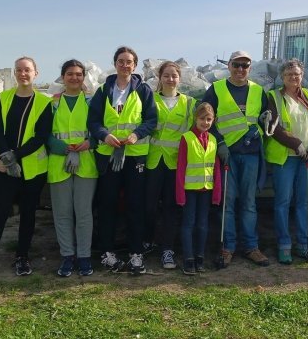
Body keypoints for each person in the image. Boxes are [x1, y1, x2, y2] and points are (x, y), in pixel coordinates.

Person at [0, 56, 53, 290]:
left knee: (28, 214)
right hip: (6, 169)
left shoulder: (44, 102)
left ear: (36, 73)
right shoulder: (2, 98)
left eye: (27, 70)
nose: (23, 74)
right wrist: (5, 155)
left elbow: (41, 137)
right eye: (19, 70)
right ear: (15, 74)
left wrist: (17, 155)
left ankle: (22, 257)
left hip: (32, 170)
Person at [88, 46, 157, 276]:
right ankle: (107, 253)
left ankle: (136, 253)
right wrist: (104, 136)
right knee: (107, 204)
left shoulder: (143, 90)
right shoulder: (103, 90)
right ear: (115, 63)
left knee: (135, 204)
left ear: (134, 66)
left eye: (129, 62)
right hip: (108, 155)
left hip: (134, 154)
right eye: (121, 61)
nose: (125, 65)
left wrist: (136, 134)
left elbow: (151, 120)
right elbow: (93, 121)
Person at [201, 50, 270, 268]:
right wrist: (219, 144)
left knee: (249, 203)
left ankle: (251, 247)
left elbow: (266, 118)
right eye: (237, 65)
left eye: (245, 65)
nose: (241, 69)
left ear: (250, 68)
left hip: (250, 155)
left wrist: (266, 118)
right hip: (227, 154)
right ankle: (228, 247)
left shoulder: (259, 92)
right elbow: (205, 119)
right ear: (229, 65)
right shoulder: (217, 89)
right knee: (227, 204)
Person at [264, 59, 308, 265]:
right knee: (282, 202)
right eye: (289, 74)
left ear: (302, 76)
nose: (294, 77)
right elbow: (273, 127)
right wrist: (295, 143)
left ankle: (303, 245)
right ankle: (284, 246)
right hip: (285, 158)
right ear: (282, 77)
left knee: (303, 203)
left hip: (307, 157)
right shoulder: (274, 96)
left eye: (297, 74)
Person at [46, 60, 98, 277]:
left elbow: (99, 128)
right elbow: (44, 133)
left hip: (85, 161)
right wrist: (61, 148)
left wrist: (91, 142)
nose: (74, 78)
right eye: (70, 74)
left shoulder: (91, 101)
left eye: (78, 74)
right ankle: (68, 256)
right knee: (62, 213)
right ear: (63, 77)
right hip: (59, 161)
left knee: (84, 213)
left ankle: (84, 256)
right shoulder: (53, 104)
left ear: (83, 77)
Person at [145, 61, 196, 270]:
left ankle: (167, 249)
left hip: (175, 161)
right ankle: (147, 241)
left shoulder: (189, 103)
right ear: (160, 78)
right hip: (153, 159)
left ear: (179, 78)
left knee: (171, 207)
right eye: (166, 75)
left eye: (174, 75)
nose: (170, 79)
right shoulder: (150, 99)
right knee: (148, 206)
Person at [176, 103, 221, 274]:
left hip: (206, 189)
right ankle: (188, 259)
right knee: (188, 224)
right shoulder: (187, 138)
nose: (206, 122)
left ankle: (200, 257)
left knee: (203, 224)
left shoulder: (213, 140)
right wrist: (180, 194)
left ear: (213, 120)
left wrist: (216, 192)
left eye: (209, 119)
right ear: (196, 119)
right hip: (189, 190)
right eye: (202, 119)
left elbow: (215, 168)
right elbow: (181, 167)